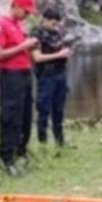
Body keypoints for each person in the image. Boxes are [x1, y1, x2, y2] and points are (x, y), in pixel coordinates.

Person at [0, 0, 39, 175]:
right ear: (16, 6)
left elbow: (21, 50)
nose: (27, 15)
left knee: (26, 114)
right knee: (10, 115)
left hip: (25, 73)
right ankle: (6, 158)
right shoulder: (0, 25)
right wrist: (23, 46)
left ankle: (21, 152)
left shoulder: (19, 26)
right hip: (11, 75)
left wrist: (30, 46)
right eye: (25, 11)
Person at [31, 8, 72, 146]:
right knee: (43, 110)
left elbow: (62, 47)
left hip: (60, 74)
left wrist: (66, 52)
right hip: (46, 76)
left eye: (57, 24)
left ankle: (60, 142)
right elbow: (37, 57)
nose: (56, 26)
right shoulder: (36, 33)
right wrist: (59, 55)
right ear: (45, 20)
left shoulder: (58, 33)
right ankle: (43, 143)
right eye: (53, 23)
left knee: (59, 110)